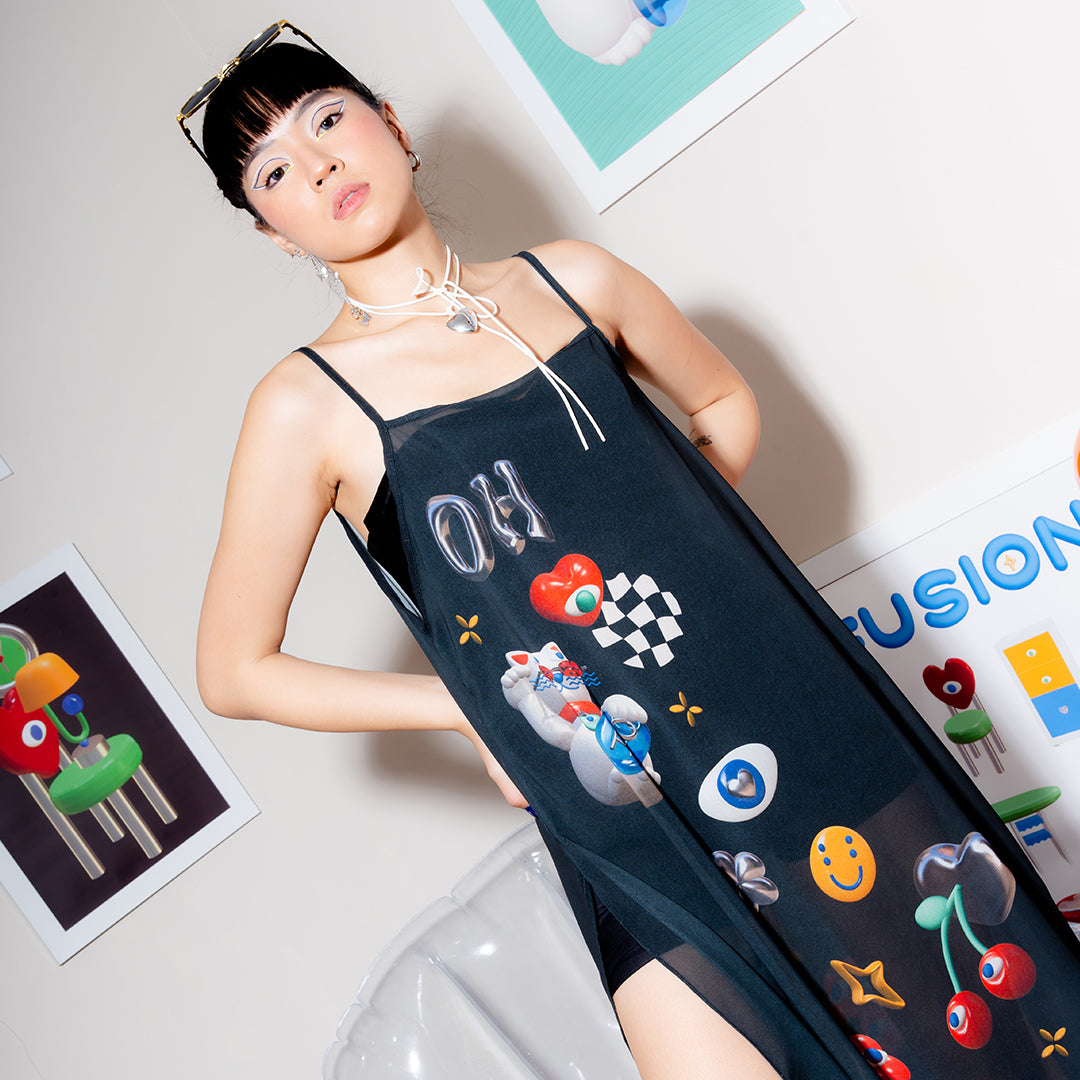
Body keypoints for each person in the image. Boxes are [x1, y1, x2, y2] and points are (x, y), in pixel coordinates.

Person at [185, 22, 1080, 1080]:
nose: (318, 163)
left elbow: (723, 404)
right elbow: (233, 671)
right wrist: (475, 709)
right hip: (619, 795)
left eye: (328, 119)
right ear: (273, 233)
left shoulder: (576, 281)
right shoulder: (304, 407)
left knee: (974, 1034)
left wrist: (682, 557)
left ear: (390, 121)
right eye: (274, 170)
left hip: (792, 703)